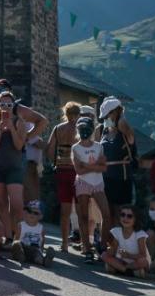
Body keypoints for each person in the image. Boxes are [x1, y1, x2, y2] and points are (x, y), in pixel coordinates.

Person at [71, 115, 111, 263]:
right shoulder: (75, 148)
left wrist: (86, 165)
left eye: (86, 129)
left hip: (97, 183)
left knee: (106, 214)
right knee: (83, 216)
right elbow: (78, 171)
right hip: (83, 183)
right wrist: (94, 167)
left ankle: (102, 246)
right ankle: (87, 249)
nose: (84, 131)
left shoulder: (98, 147)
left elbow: (103, 167)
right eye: (81, 129)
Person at [0, 90, 26, 241]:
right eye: (2, 104)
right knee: (2, 203)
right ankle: (8, 238)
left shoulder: (19, 122)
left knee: (17, 204)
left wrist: (11, 128)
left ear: (13, 105)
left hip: (14, 166)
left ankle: (22, 237)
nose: (5, 107)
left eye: (9, 104)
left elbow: (18, 146)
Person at [46, 102, 80, 252]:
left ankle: (64, 244)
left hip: (61, 170)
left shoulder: (58, 129)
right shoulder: (81, 129)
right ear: (78, 115)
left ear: (65, 114)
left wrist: (55, 162)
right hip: (78, 171)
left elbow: (49, 149)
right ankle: (85, 245)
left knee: (65, 211)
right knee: (81, 210)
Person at [99, 96, 135, 225]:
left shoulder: (122, 124)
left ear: (116, 111)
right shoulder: (104, 130)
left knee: (120, 211)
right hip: (106, 176)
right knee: (106, 211)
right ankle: (108, 240)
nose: (106, 117)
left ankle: (118, 242)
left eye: (109, 113)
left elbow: (131, 140)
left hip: (121, 176)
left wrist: (122, 123)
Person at [101, 205, 150, 277]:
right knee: (104, 255)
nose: (125, 218)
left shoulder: (140, 234)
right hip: (122, 261)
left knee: (143, 261)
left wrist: (128, 255)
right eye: (123, 215)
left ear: (135, 219)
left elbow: (143, 255)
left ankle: (120, 269)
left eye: (129, 216)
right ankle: (129, 272)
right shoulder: (116, 231)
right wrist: (109, 249)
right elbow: (113, 251)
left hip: (136, 262)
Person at [11, 200, 55, 267]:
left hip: (35, 249)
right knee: (17, 245)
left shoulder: (41, 228)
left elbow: (42, 241)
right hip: (23, 248)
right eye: (29, 212)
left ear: (41, 216)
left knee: (37, 256)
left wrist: (41, 251)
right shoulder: (21, 225)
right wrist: (14, 245)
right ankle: (19, 256)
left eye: (35, 213)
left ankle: (45, 261)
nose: (32, 214)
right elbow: (16, 238)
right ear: (25, 213)